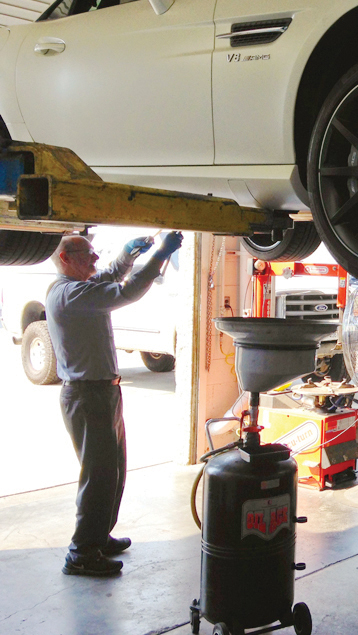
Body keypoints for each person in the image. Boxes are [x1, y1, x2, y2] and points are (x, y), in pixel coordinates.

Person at [47, 230, 183, 577]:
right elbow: (124, 291)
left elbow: (109, 277)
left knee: (113, 471)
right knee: (98, 475)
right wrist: (159, 256)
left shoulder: (80, 289)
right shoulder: (68, 294)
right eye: (88, 254)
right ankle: (80, 553)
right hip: (87, 394)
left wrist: (126, 256)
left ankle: (98, 536)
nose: (96, 259)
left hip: (102, 392)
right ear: (65, 258)